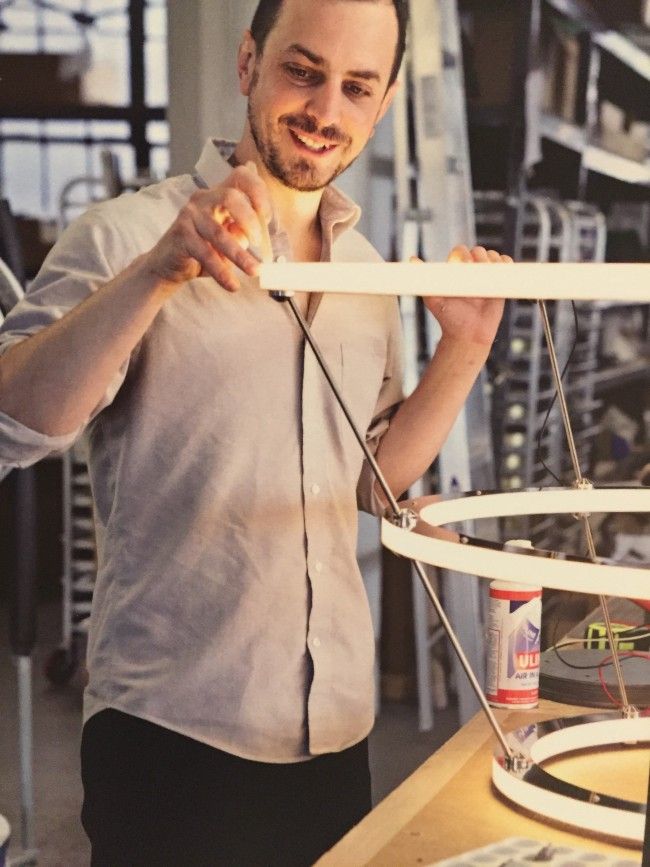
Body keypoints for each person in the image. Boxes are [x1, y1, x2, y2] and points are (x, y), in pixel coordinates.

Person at [0, 0, 511, 863]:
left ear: (383, 104)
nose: (324, 112)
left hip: (338, 735)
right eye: (302, 72)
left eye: (356, 88)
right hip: (172, 735)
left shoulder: (364, 272)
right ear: (247, 65)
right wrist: (161, 272)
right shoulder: (128, 233)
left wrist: (463, 349)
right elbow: (13, 424)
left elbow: (373, 480)